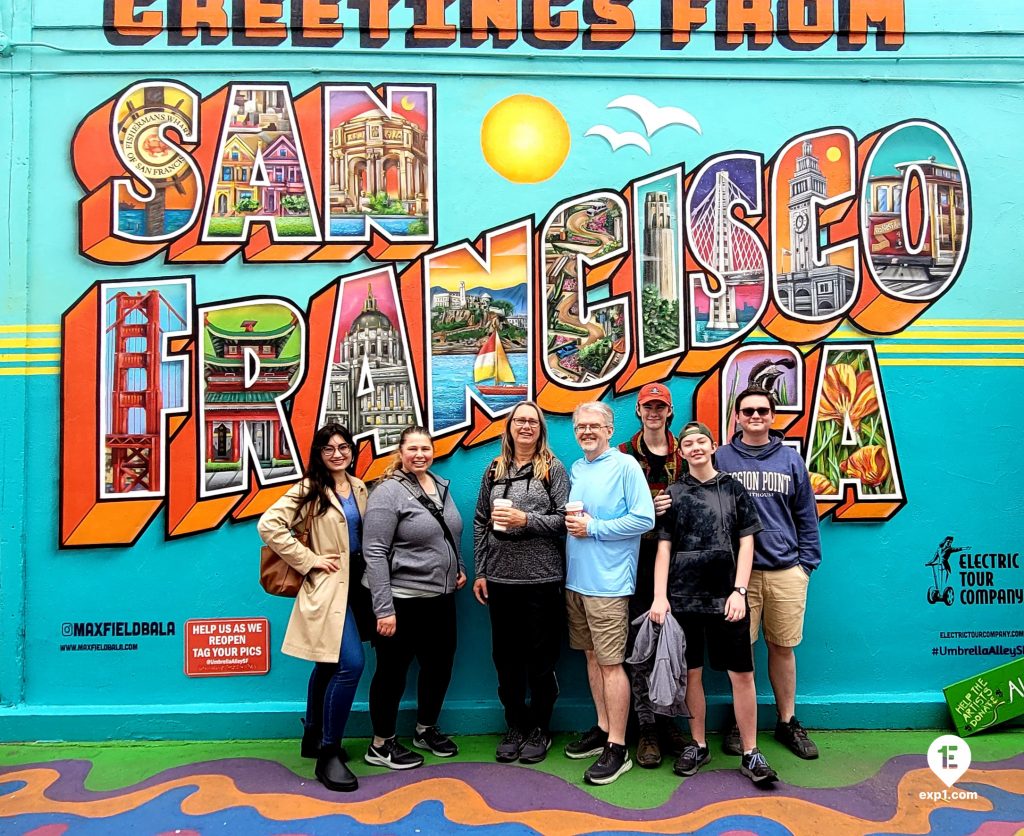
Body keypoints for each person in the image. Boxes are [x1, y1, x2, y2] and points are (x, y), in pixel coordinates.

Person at [650, 421, 778, 785]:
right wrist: (660, 597)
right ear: (682, 452)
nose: (694, 447)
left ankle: (751, 753)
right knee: (691, 674)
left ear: (712, 446)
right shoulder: (673, 494)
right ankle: (698, 744)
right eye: (688, 443)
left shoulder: (733, 489)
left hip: (728, 600)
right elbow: (663, 549)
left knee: (742, 675)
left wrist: (739, 591)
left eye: (700, 441)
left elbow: (748, 543)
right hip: (684, 600)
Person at [257, 423, 370, 793]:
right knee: (351, 664)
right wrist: (309, 560)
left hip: (357, 586)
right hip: (329, 586)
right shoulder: (309, 489)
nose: (337, 454)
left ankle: (312, 734)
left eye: (343, 447)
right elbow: (269, 525)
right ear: (318, 454)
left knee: (327, 662)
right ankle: (328, 753)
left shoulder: (358, 486)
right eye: (329, 448)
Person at [714, 387, 822, 760]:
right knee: (740, 653)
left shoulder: (791, 460)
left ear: (773, 416)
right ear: (738, 417)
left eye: (762, 410)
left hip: (784, 570)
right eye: (748, 411)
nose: (755, 416)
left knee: (783, 647)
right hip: (737, 579)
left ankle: (787, 720)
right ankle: (741, 721)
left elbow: (807, 516)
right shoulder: (721, 458)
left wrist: (806, 565)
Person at [362, 426, 467, 770]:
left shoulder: (439, 485)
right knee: (392, 672)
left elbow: (449, 532)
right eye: (413, 449)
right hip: (401, 600)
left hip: (441, 597)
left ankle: (426, 728)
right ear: (401, 452)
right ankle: (381, 744)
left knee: (440, 666)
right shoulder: (387, 492)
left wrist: (458, 566)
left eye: (425, 448)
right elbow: (374, 552)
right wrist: (383, 609)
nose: (420, 454)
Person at [563, 401, 656, 785]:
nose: (587, 431)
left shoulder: (626, 465)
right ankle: (603, 727)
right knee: (591, 658)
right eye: (581, 425)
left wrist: (595, 528)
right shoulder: (578, 468)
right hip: (576, 582)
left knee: (611, 664)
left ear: (609, 430)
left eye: (594, 426)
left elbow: (644, 518)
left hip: (609, 585)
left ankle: (618, 747)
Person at [472, 400, 569, 764]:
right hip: (500, 579)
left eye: (532, 421)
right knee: (505, 658)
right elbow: (481, 520)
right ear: (509, 428)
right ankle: (515, 725)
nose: (525, 426)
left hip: (542, 579)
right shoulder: (494, 469)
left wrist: (524, 520)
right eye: (519, 421)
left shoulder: (553, 469)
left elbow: (563, 521)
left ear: (540, 429)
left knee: (541, 659)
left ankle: (541, 728)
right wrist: (481, 570)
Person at [617, 382, 690, 768]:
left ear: (669, 412)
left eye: (660, 407)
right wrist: (648, 509)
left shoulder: (687, 452)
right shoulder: (623, 456)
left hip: (682, 565)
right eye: (648, 407)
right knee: (641, 647)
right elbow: (613, 510)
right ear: (639, 412)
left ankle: (669, 723)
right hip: (637, 564)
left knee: (677, 648)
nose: (654, 413)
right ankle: (645, 728)